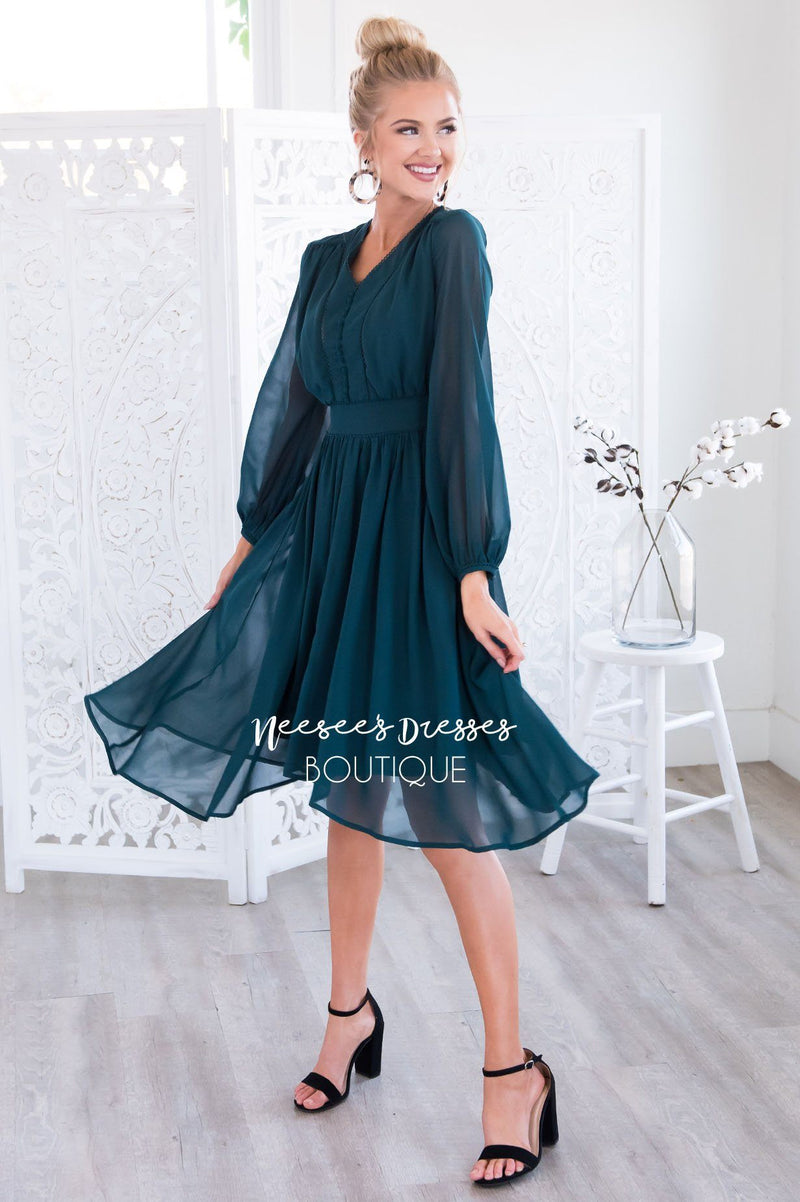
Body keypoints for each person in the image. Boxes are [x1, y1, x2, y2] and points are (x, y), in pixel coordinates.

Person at [84, 14, 599, 1187]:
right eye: (407, 129)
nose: (432, 149)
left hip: (417, 547)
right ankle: (347, 1015)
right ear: (362, 141)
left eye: (446, 128)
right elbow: (295, 404)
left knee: (445, 808)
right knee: (350, 794)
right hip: (333, 538)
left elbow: (463, 403)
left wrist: (473, 565)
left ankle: (510, 1070)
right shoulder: (327, 262)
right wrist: (252, 533)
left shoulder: (453, 244)